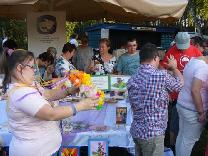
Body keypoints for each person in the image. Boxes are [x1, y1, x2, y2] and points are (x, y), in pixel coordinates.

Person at [0, 48, 99, 156]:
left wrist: (69, 91)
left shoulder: (29, 85)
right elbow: (50, 114)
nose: (35, 70)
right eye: (32, 67)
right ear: (20, 68)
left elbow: (48, 94)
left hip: (46, 149)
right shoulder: (21, 93)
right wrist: (81, 105)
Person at [127, 43, 183, 156]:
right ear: (155, 58)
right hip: (153, 134)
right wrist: (174, 68)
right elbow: (180, 84)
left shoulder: (132, 78)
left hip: (137, 131)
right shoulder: (160, 76)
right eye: (158, 59)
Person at [160, 32, 202, 149]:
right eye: (180, 46)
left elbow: (202, 67)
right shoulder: (171, 51)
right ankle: (173, 144)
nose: (183, 49)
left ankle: (185, 144)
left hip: (190, 92)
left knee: (187, 122)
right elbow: (163, 70)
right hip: (176, 93)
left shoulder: (195, 51)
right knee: (174, 121)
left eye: (185, 46)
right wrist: (172, 71)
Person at [176, 55, 208, 156]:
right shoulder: (204, 68)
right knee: (188, 141)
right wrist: (201, 112)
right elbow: (195, 90)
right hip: (193, 110)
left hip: (182, 104)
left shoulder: (193, 61)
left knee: (182, 135)